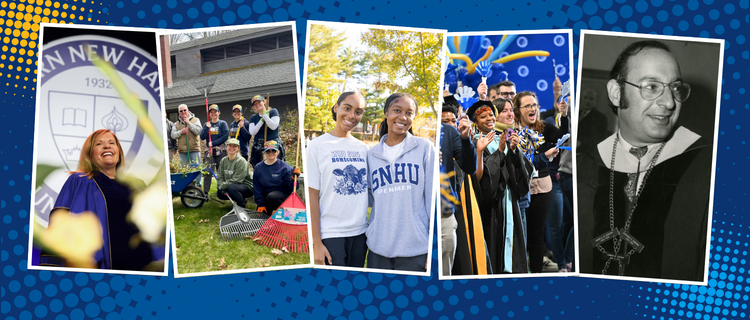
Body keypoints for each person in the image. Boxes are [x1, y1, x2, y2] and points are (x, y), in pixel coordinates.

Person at [577, 40, 710, 281]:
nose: (669, 103)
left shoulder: (707, 167)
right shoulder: (583, 164)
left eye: (675, 88)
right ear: (616, 93)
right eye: (651, 86)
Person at [39, 129, 156, 270]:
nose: (107, 146)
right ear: (89, 154)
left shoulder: (137, 185)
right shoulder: (80, 180)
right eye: (99, 144)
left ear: (118, 151)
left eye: (112, 143)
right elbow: (60, 225)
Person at [458, 99, 531, 274]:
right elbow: (484, 183)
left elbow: (520, 179)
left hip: (509, 204)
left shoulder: (503, 138)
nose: (489, 119)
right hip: (491, 208)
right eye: (483, 117)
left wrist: (513, 151)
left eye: (491, 115)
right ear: (475, 122)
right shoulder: (474, 143)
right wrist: (498, 152)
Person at [366, 93, 435, 272]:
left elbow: (432, 199)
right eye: (397, 110)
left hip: (415, 249)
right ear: (386, 113)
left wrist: (433, 247)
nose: (403, 117)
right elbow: (369, 198)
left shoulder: (424, 148)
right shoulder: (371, 155)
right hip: (378, 248)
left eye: (409, 113)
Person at [308, 92, 370, 267]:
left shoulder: (364, 149)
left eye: (358, 111)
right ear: (337, 108)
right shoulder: (316, 146)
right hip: (330, 233)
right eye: (347, 108)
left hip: (360, 233)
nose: (352, 116)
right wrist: (317, 242)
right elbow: (312, 196)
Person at [512, 91, 568, 273]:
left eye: (534, 105)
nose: (532, 108)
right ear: (517, 110)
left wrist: (564, 116)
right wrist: (543, 156)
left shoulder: (544, 128)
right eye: (527, 105)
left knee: (536, 235)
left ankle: (535, 274)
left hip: (542, 187)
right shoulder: (511, 132)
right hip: (518, 188)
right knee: (519, 235)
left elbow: (562, 136)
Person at [439, 95, 477, 276]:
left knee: (445, 267)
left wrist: (465, 140)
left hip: (444, 210)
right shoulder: (418, 134)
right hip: (420, 213)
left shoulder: (450, 132)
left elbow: (469, 167)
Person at [253, 140, 300, 214]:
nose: (271, 153)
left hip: (280, 197)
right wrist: (260, 204)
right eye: (268, 151)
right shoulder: (258, 168)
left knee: (272, 197)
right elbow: (257, 188)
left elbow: (292, 188)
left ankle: (285, 213)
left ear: (277, 152)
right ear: (264, 152)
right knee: (261, 222)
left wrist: (294, 179)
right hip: (266, 198)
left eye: (273, 151)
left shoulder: (285, 168)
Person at [249, 95, 285, 167]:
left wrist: (265, 116)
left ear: (264, 102)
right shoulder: (253, 118)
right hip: (259, 148)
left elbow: (274, 126)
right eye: (254, 104)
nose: (257, 105)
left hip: (273, 146)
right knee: (259, 168)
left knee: (275, 167)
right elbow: (252, 132)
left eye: (259, 102)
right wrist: (261, 121)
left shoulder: (273, 112)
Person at [216, 138, 253, 208]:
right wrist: (220, 186)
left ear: (238, 148)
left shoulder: (241, 161)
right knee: (219, 193)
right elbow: (220, 176)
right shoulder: (223, 160)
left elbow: (237, 179)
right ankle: (240, 198)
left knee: (232, 188)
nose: (232, 148)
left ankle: (241, 205)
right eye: (230, 146)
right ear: (226, 147)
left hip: (247, 186)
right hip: (233, 185)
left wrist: (223, 186)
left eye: (234, 146)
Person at [171, 104, 203, 187]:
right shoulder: (176, 124)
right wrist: (181, 132)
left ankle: (198, 186)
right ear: (179, 113)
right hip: (182, 151)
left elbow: (199, 131)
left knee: (196, 169)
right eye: (181, 111)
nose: (183, 112)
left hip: (194, 149)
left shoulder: (195, 120)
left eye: (185, 110)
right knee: (185, 170)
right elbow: (173, 135)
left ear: (188, 111)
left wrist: (189, 124)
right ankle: (188, 187)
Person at [200, 104, 229, 194]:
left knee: (221, 172)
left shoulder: (222, 123)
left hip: (220, 152)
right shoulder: (207, 124)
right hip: (209, 152)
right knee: (208, 172)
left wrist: (214, 143)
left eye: (215, 112)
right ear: (209, 114)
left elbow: (225, 136)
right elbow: (202, 137)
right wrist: (206, 128)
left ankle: (221, 191)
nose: (213, 114)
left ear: (219, 113)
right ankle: (205, 193)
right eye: (211, 112)